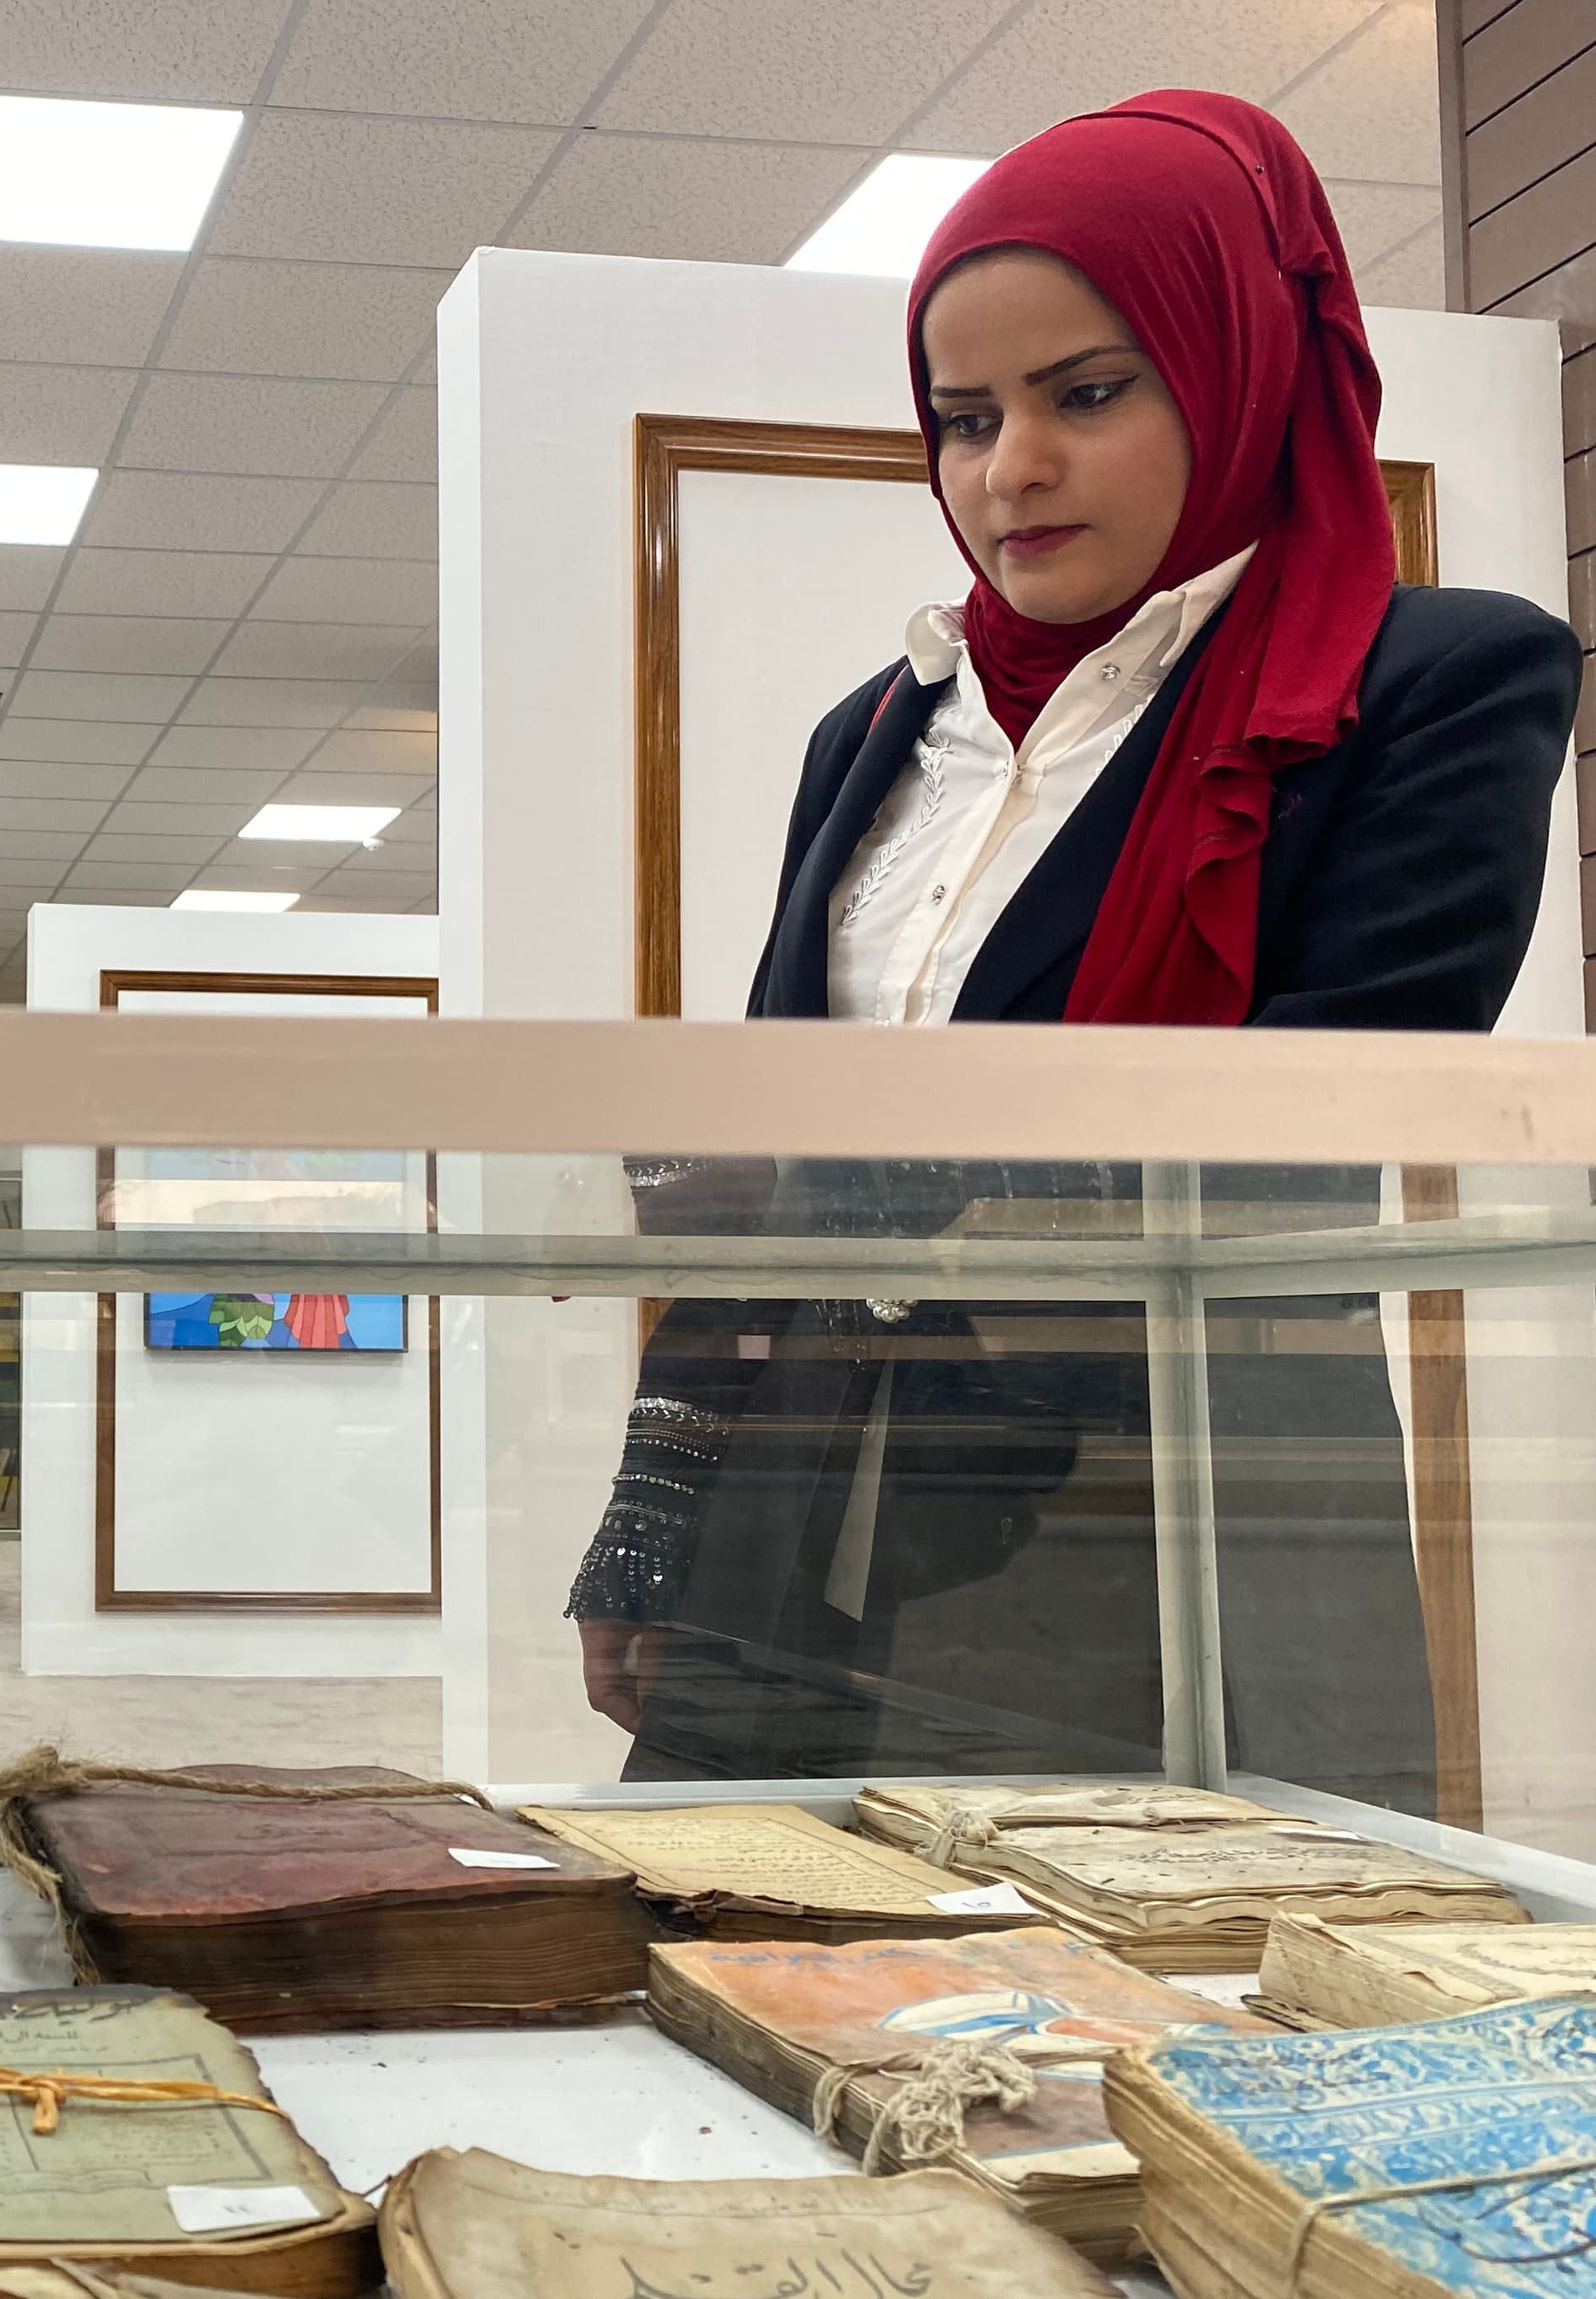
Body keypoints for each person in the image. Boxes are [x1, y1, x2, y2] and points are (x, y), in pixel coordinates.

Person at [566, 94, 1581, 1810]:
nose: (1006, 469)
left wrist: (909, 1186)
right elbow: (763, 1171)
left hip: (1162, 1504)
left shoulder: (1432, 682)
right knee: (732, 1966)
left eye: (1086, 393)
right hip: (793, 1513)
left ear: (1236, 364)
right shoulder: (880, 728)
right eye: (963, 418)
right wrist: (653, 1508)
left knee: (1117, 2028)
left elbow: (1317, 1124)